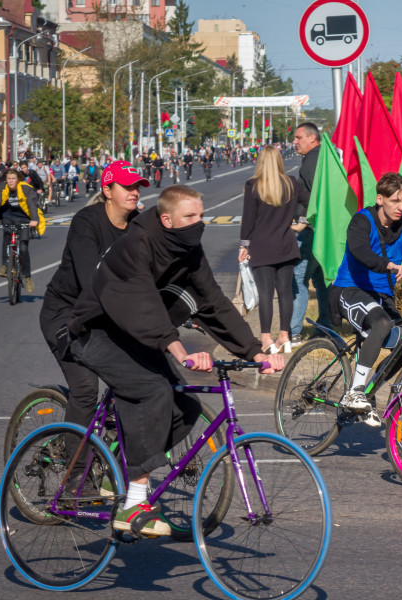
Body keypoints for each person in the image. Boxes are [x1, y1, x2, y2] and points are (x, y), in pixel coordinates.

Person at [66, 184, 285, 536]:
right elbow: (141, 300)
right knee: (153, 390)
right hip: (97, 331)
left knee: (186, 405)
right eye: (190, 217)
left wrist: (254, 351)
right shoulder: (137, 244)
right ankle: (134, 502)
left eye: (202, 215)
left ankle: (123, 467)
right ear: (166, 219)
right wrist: (177, 347)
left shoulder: (188, 248)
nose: (200, 223)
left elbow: (213, 301)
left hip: (140, 335)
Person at [39, 161, 144, 477]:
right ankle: (75, 479)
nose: (135, 192)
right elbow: (91, 279)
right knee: (85, 389)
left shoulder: (139, 225)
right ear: (107, 190)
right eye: (127, 186)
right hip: (66, 314)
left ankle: (106, 449)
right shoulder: (87, 222)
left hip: (107, 316)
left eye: (137, 186)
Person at [330, 172, 402, 425]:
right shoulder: (362, 221)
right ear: (380, 199)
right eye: (395, 201)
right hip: (350, 290)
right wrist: (391, 266)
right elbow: (360, 252)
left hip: (383, 296)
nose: (400, 207)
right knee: (381, 324)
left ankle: (367, 393)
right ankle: (354, 392)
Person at [238, 146, 301, 354]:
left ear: (261, 162)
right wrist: (300, 222)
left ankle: (266, 339)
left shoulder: (253, 185)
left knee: (265, 294)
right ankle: (285, 336)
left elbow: (248, 219)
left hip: (262, 246)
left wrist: (244, 245)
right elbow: (308, 203)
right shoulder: (291, 183)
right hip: (286, 244)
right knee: (285, 293)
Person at [291, 123, 332, 342]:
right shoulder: (321, 156)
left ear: (312, 138)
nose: (295, 141)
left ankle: (293, 332)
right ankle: (325, 325)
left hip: (310, 231)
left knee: (297, 280)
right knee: (320, 279)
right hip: (320, 230)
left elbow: (316, 196)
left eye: (299, 137)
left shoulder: (311, 160)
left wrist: (304, 222)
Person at [0, 169, 40, 292]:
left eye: (13, 178)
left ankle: (27, 277)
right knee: (6, 238)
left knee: (23, 247)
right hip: (8, 217)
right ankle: (4, 265)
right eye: (8, 178)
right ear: (5, 180)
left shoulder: (26, 188)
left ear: (18, 179)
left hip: (23, 219)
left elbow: (32, 204)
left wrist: (34, 219)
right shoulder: (2, 188)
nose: (11, 181)